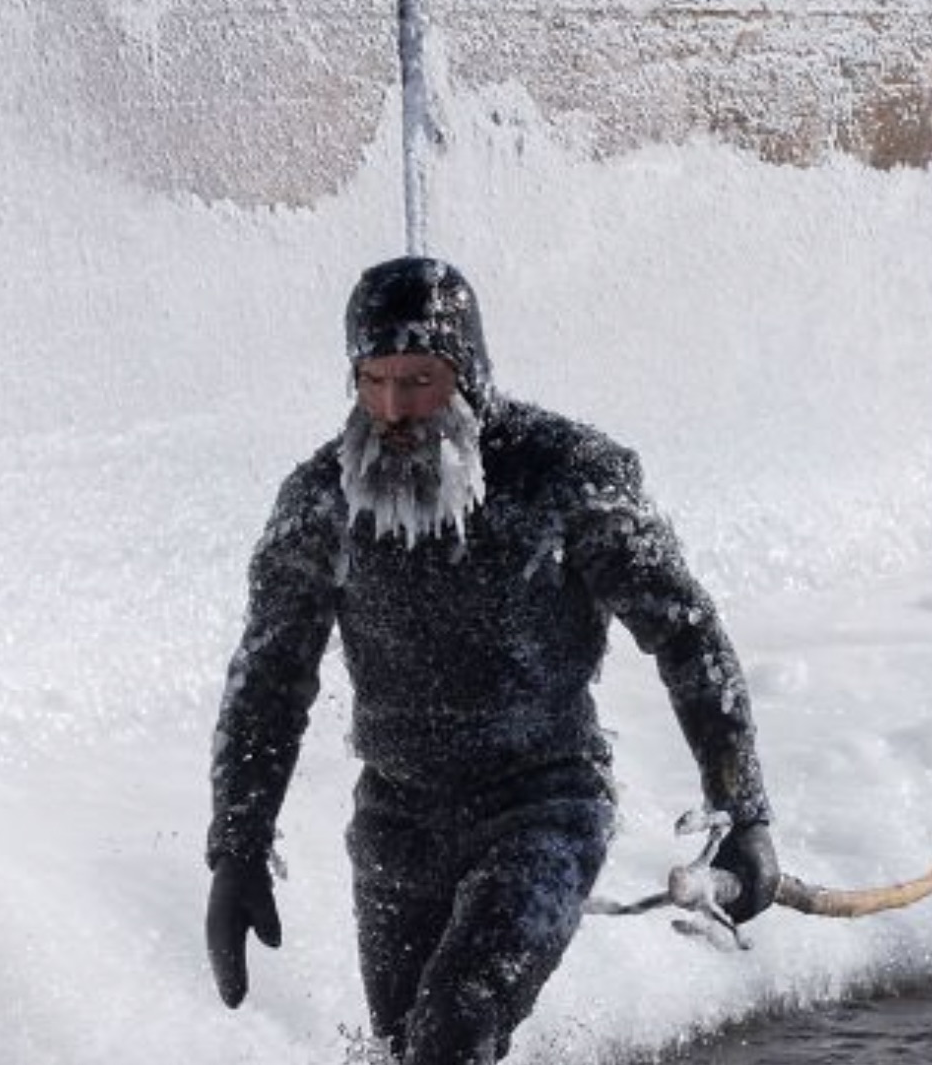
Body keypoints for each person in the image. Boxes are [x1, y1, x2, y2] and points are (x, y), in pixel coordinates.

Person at [205, 256, 778, 1064]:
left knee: (458, 1026)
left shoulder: (564, 477)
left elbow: (686, 634)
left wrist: (741, 811)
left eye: (421, 379)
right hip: (397, 823)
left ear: (467, 372)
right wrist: (237, 847)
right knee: (407, 1049)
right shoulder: (322, 502)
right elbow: (268, 677)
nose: (396, 409)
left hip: (542, 806)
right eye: (375, 380)